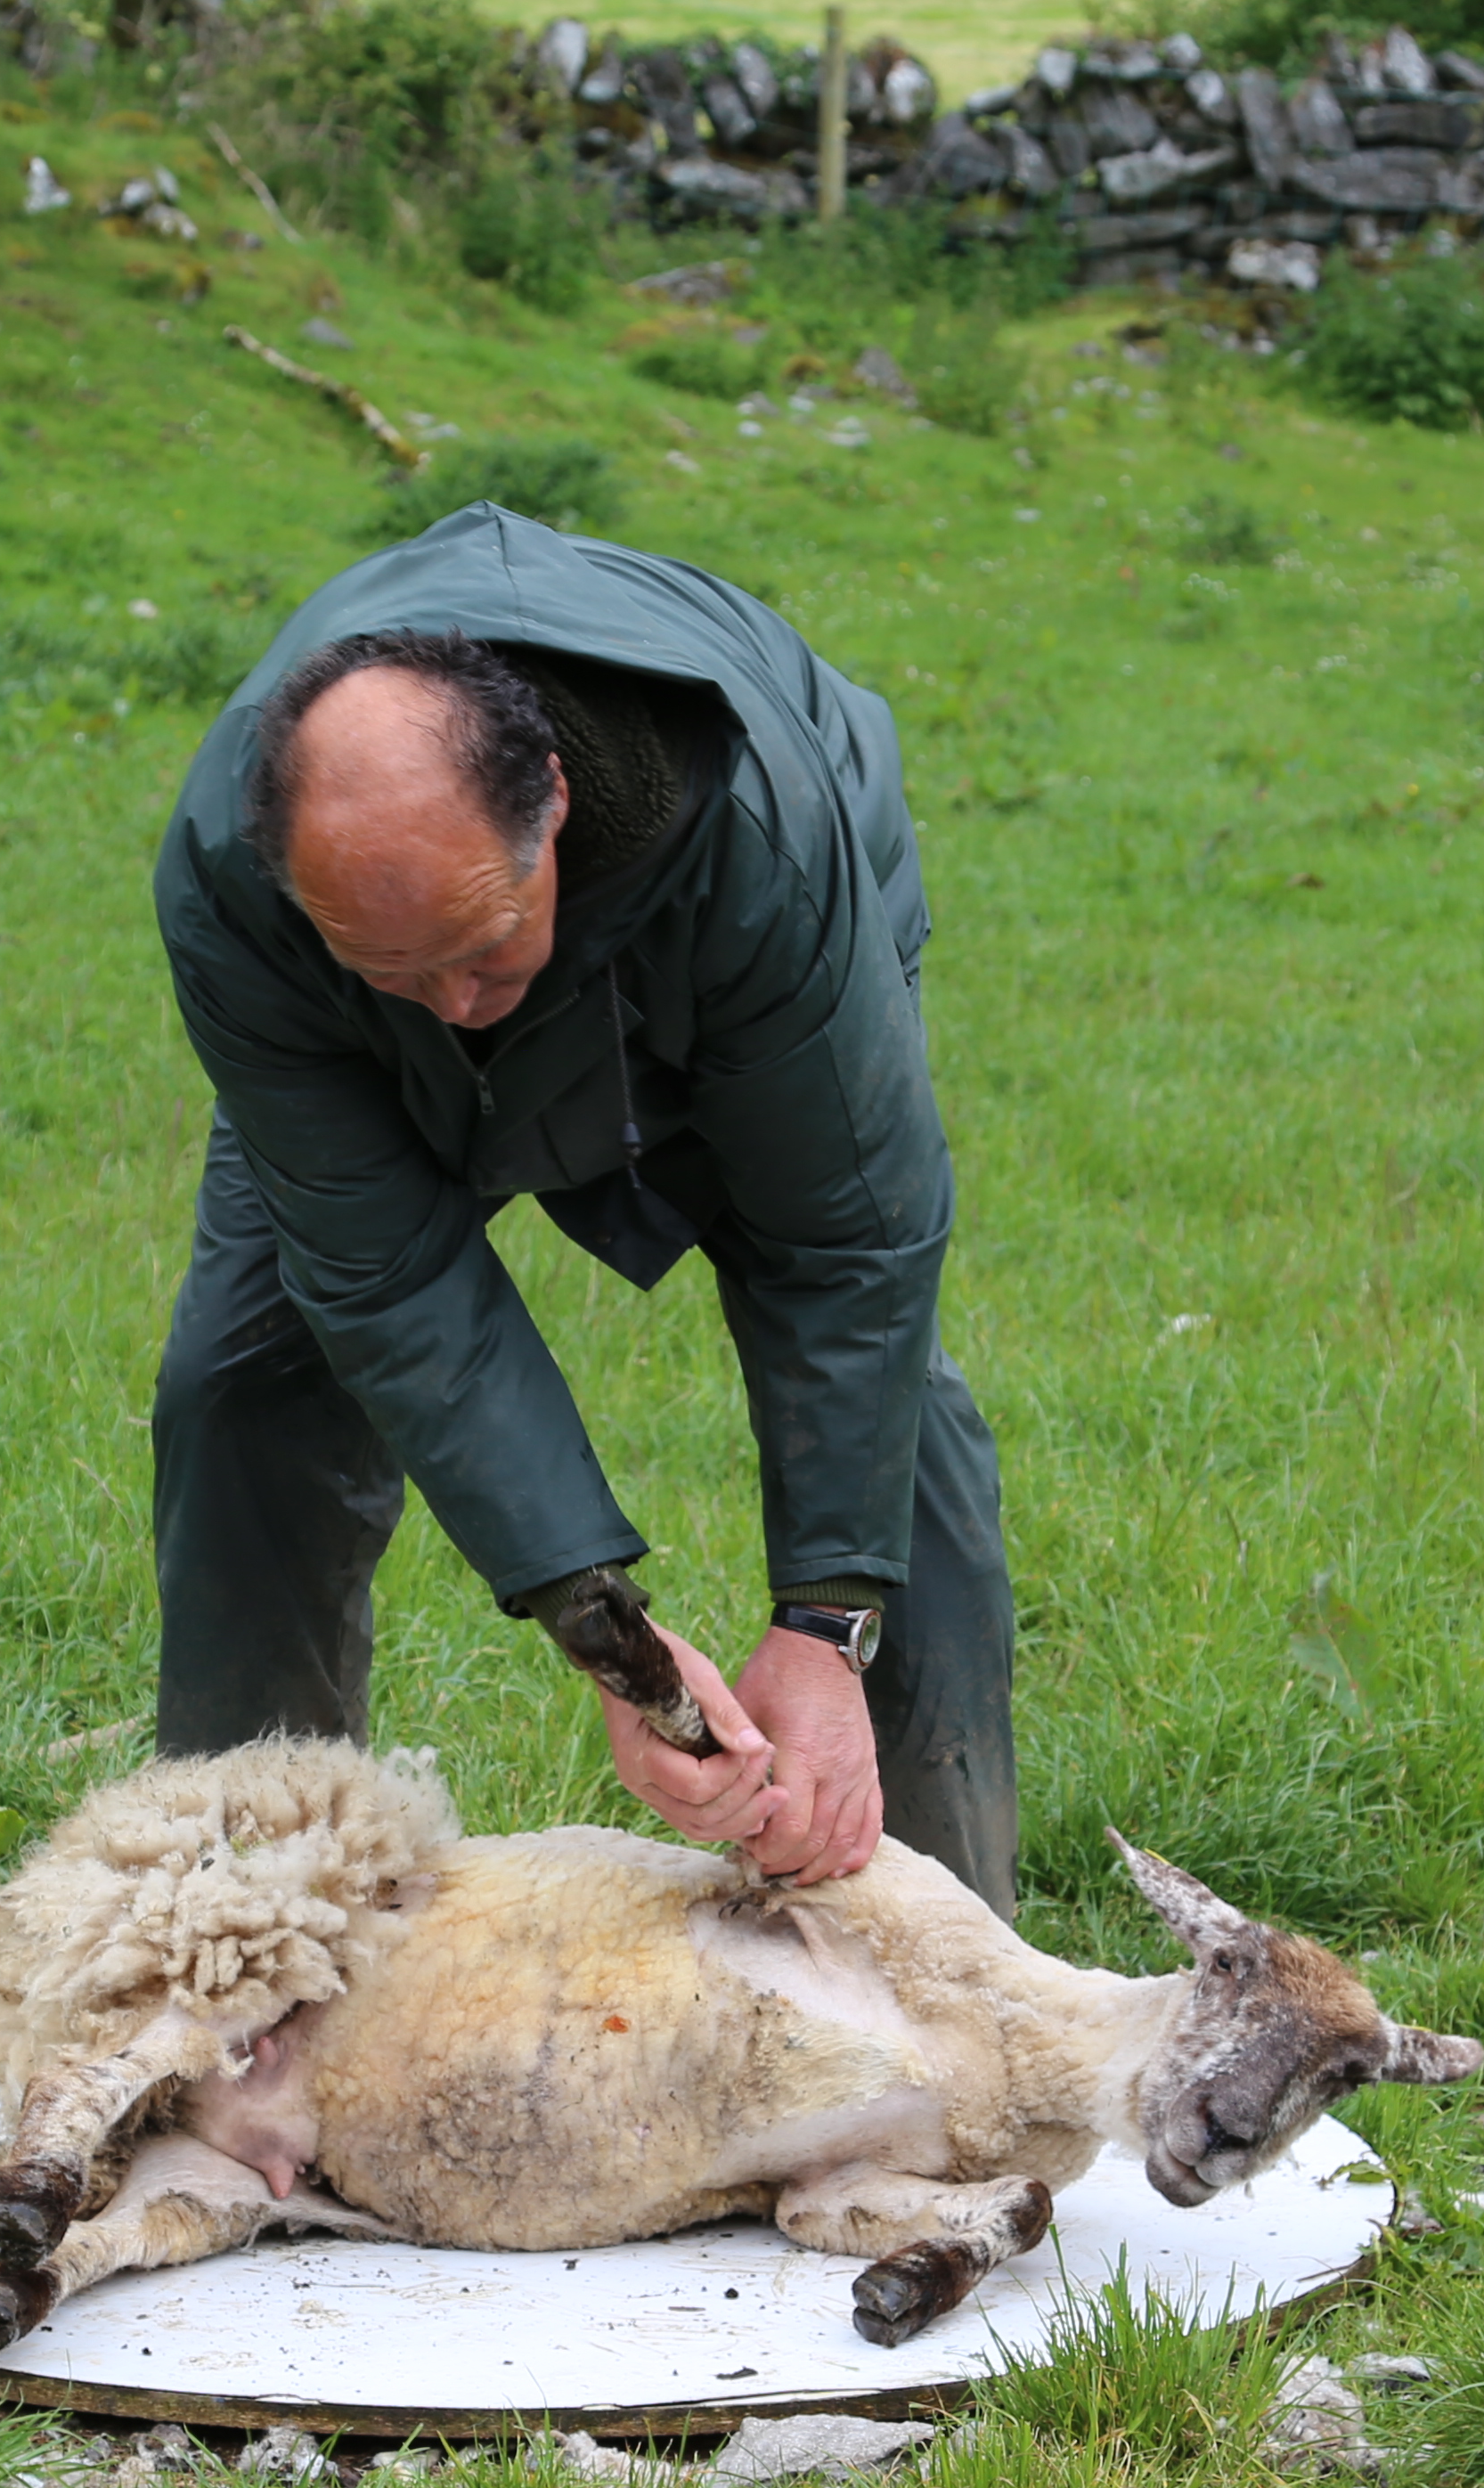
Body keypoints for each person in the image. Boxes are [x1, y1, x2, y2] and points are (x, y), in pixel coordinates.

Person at [146, 503, 1014, 1905]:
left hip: (724, 963)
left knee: (893, 1424)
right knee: (241, 1383)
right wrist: (602, 1627)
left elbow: (849, 1248)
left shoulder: (764, 851)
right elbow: (383, 1280)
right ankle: (256, 1925)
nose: (457, 1011)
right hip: (355, 1031)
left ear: (551, 801)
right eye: (397, 970)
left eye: (483, 951)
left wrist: (824, 1622)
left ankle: (938, 1956)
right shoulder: (234, 898)